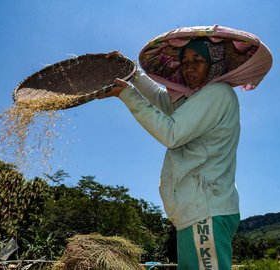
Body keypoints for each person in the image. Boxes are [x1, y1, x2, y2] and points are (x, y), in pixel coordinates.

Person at [99, 38, 241, 270]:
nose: (189, 67)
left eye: (198, 60)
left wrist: (126, 94)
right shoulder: (195, 98)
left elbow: (171, 132)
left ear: (213, 64)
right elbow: (162, 101)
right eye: (184, 61)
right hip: (195, 211)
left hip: (205, 211)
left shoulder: (217, 93)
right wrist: (132, 73)